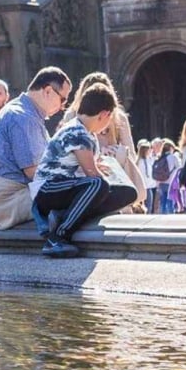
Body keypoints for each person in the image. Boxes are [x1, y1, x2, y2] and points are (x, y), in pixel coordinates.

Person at [33, 83, 140, 257]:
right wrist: (101, 173)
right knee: (99, 185)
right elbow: (92, 175)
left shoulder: (87, 132)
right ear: (104, 115)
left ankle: (64, 214)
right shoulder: (77, 133)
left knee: (128, 193)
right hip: (48, 190)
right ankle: (58, 236)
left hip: (68, 189)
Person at [0, 66, 72, 230]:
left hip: (18, 193)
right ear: (48, 91)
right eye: (63, 100)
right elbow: (34, 172)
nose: (62, 107)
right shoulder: (23, 117)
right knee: (82, 193)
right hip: (11, 198)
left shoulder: (28, 113)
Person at [58, 73, 145, 213]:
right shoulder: (72, 116)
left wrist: (116, 153)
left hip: (113, 171)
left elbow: (130, 154)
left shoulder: (118, 117)